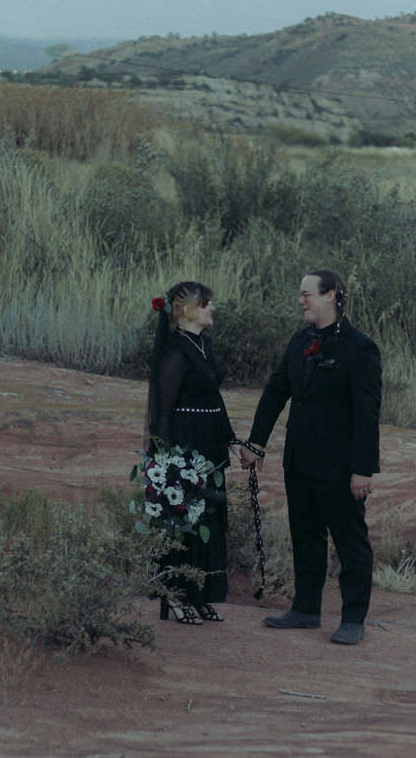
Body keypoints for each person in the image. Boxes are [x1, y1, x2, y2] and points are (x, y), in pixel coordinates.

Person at [240, 269, 381, 645]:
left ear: (332, 295)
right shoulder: (301, 339)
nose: (301, 301)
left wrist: (362, 471)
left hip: (341, 467)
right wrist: (256, 444)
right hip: (300, 461)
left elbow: (367, 417)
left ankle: (353, 619)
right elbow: (275, 391)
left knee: (350, 542)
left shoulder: (360, 348)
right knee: (305, 536)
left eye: (308, 294)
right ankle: (305, 610)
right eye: (300, 294)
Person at [147, 281, 236, 625]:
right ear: (184, 311)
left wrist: (231, 439)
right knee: (184, 520)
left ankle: (198, 594)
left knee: (208, 520)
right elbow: (163, 411)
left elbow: (214, 397)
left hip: (209, 445)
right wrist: (168, 460)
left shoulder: (204, 344)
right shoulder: (175, 351)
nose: (211, 309)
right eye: (205, 304)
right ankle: (175, 592)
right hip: (185, 445)